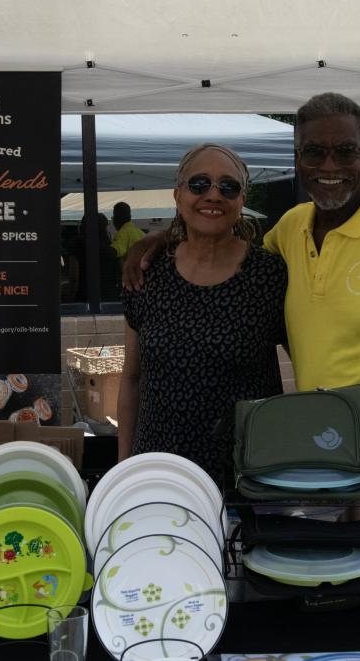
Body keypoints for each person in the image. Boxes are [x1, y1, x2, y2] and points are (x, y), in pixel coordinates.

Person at [126, 93, 360, 447]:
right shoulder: (291, 230)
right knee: (317, 524)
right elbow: (220, 245)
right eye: (314, 153)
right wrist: (163, 239)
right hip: (318, 429)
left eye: (345, 152)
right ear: (298, 159)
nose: (329, 167)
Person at [117, 143, 287, 476]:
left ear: (242, 200)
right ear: (178, 195)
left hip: (244, 476)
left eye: (228, 187)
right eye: (199, 184)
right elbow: (132, 378)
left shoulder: (271, 275)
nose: (213, 195)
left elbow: (307, 364)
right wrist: (123, 468)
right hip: (159, 470)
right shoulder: (147, 273)